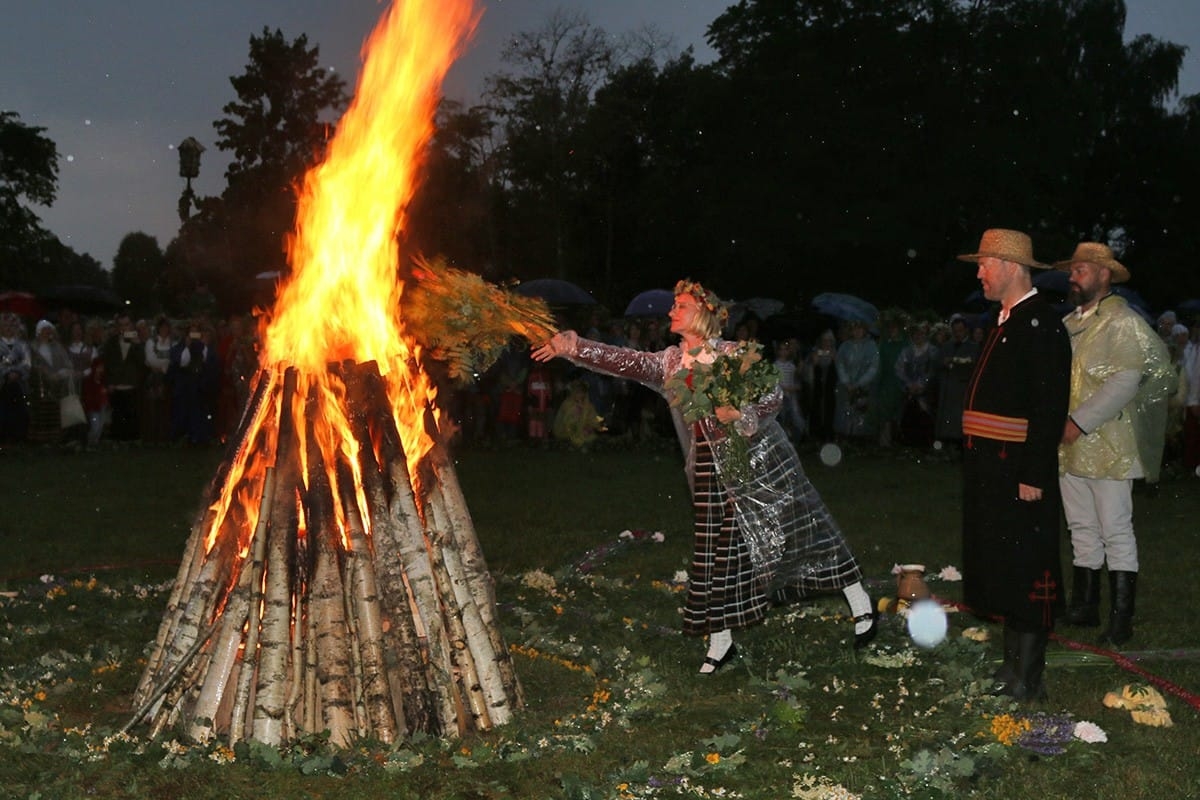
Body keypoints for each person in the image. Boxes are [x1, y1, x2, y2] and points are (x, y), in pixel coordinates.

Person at [532, 279, 877, 674]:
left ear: (705, 314)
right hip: (711, 473)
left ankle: (861, 604)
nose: (670, 311)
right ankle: (721, 644)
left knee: (804, 533)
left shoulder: (733, 355)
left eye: (679, 305)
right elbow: (623, 361)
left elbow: (773, 396)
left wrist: (743, 416)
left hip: (762, 464)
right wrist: (575, 347)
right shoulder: (669, 364)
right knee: (718, 555)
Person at [957, 229, 1071, 701]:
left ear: (1010, 266)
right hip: (991, 470)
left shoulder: (1041, 324)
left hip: (1017, 471)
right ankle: (1010, 669)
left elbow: (1047, 407)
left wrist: (1032, 475)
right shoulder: (1004, 321)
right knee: (1003, 564)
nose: (980, 273)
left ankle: (1029, 675)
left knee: (1028, 567)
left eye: (985, 263)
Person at [1054, 243, 1173, 646]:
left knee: (1116, 529)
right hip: (1069, 446)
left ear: (1105, 275)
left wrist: (1078, 422)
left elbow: (1126, 380)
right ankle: (1084, 607)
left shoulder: (1122, 322)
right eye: (1072, 270)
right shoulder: (1070, 322)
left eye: (1082, 270)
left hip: (1109, 444)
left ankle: (1122, 620)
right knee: (1081, 526)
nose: (1073, 276)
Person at [934, 315, 979, 451]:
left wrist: (957, 363)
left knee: (959, 420)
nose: (958, 334)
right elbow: (937, 364)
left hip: (961, 388)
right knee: (946, 419)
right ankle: (945, 445)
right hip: (947, 388)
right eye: (955, 331)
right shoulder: (947, 346)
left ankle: (960, 447)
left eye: (960, 330)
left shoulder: (973, 347)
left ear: (966, 331)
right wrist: (944, 363)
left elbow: (973, 365)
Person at [100, 314, 145, 442]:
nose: (124, 328)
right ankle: (117, 441)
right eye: (121, 325)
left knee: (132, 415)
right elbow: (107, 364)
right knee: (117, 415)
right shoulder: (111, 342)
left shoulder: (136, 341)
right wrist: (109, 383)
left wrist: (136, 344)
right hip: (116, 385)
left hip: (132, 384)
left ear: (131, 325)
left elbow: (142, 361)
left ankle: (132, 441)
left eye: (126, 324)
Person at [834, 320, 878, 439]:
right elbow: (840, 364)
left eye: (860, 329)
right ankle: (845, 435)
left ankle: (861, 437)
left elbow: (873, 367)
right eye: (854, 329)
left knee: (861, 410)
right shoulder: (845, 346)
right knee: (846, 409)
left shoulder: (871, 346)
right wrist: (846, 382)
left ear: (864, 330)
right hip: (846, 385)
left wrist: (859, 383)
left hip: (864, 385)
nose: (857, 332)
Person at [0, 313, 32, 443]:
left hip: (20, 383)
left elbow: (27, 363)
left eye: (11, 325)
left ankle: (18, 437)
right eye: (5, 325)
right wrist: (7, 373)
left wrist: (17, 373)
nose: (8, 328)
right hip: (2, 383)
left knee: (20, 410)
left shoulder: (23, 345)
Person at [802, 330, 839, 443]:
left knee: (830, 410)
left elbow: (839, 370)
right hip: (816, 389)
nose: (827, 343)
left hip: (831, 389)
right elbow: (806, 372)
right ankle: (816, 435)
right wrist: (814, 363)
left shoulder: (836, 353)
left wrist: (835, 360)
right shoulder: (814, 353)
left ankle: (829, 434)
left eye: (829, 341)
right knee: (816, 409)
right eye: (824, 341)